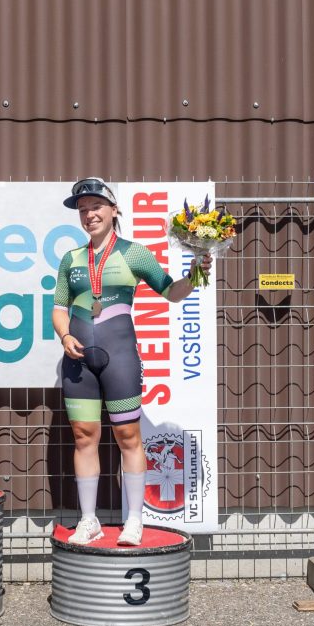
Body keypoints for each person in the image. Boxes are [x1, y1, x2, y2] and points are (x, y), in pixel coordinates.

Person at [53, 177, 211, 545]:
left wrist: (197, 271)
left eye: (96, 207)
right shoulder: (70, 259)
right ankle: (89, 520)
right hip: (79, 360)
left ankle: (135, 520)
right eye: (82, 210)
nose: (89, 215)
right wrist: (64, 335)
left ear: (114, 210)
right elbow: (59, 308)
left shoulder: (134, 254)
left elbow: (172, 292)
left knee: (128, 436)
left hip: (120, 356)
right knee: (84, 437)